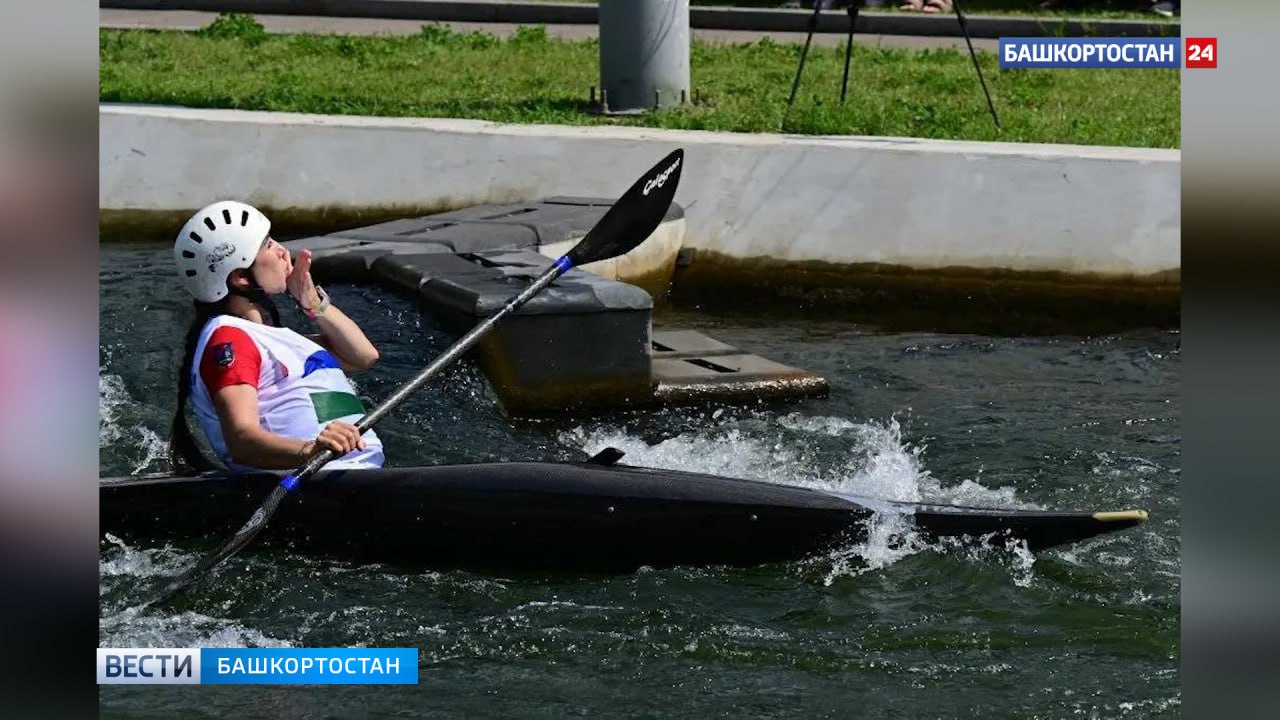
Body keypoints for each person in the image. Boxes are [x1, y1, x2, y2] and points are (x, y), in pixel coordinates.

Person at [169, 200, 384, 474]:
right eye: (269, 245)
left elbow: (363, 356)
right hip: (312, 487)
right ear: (240, 278)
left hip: (356, 475)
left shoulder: (267, 338)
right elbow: (242, 441)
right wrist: (310, 450)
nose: (283, 252)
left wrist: (311, 301)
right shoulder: (230, 341)